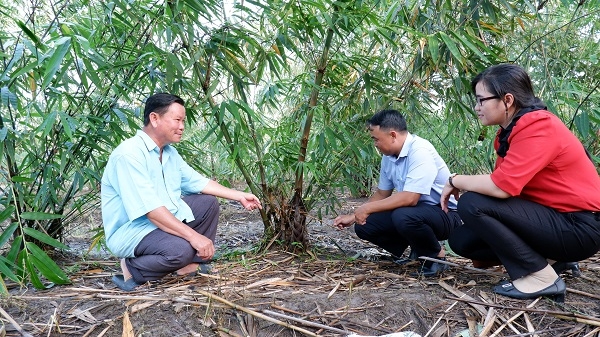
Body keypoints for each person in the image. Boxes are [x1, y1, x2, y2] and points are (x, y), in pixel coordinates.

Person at [441, 64, 600, 302]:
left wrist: (455, 180)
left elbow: (501, 187)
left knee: (471, 202)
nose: (477, 107)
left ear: (507, 100)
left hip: (579, 226)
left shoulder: (539, 125)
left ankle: (540, 276)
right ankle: (556, 260)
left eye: (481, 100)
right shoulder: (509, 133)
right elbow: (504, 188)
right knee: (462, 240)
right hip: (554, 220)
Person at [101, 93, 262, 291]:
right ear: (154, 118)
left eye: (183, 120)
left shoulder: (169, 153)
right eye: (177, 120)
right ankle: (132, 267)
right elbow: (151, 210)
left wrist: (239, 195)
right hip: (132, 231)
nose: (182, 126)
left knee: (207, 203)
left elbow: (198, 182)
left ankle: (188, 264)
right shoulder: (128, 155)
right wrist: (194, 237)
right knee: (181, 249)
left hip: (160, 222)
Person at [334, 109, 462, 277]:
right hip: (418, 213)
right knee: (365, 225)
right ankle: (419, 249)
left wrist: (367, 209)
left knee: (404, 215)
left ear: (393, 135)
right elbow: (382, 193)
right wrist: (355, 215)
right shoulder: (388, 157)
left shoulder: (420, 151)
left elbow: (410, 198)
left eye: (376, 139)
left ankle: (436, 257)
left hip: (446, 214)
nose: (375, 144)